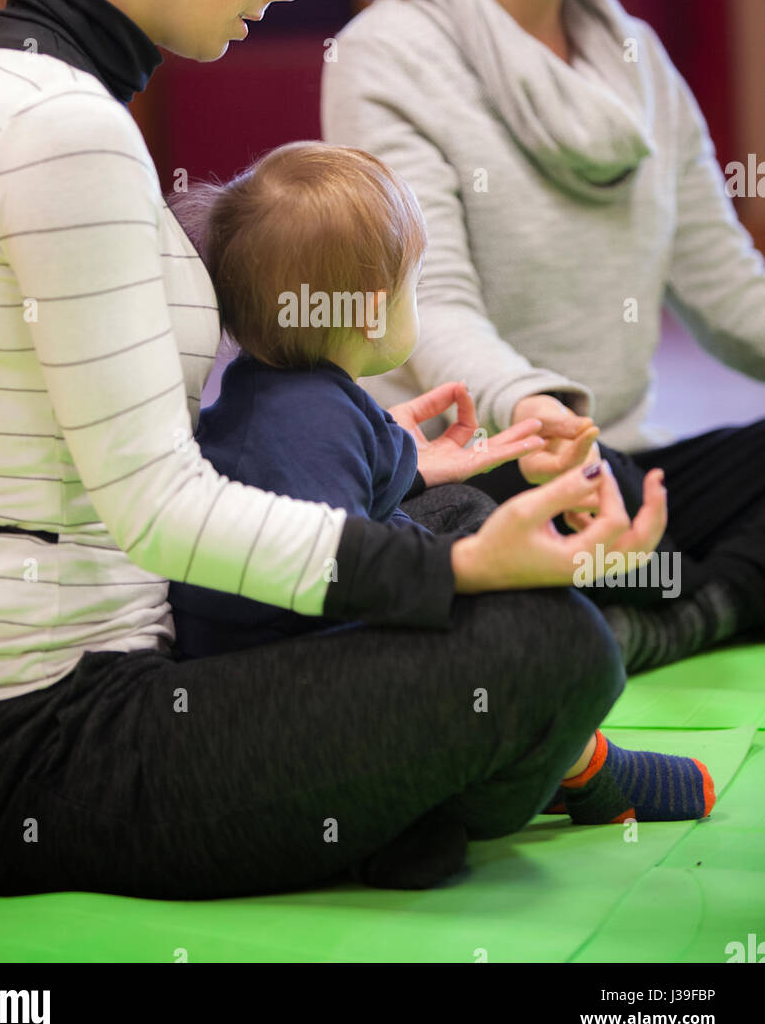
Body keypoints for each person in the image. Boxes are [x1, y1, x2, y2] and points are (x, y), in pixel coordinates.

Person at [0, 0, 670, 901]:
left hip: (88, 681)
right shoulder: (60, 125)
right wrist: (449, 574)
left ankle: (401, 804)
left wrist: (401, 474)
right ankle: (431, 795)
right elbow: (158, 510)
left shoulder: (51, 90)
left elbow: (128, 455)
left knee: (450, 523)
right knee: (538, 640)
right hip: (34, 747)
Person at [321, 0, 765, 678]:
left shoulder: (635, 60)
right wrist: (539, 414)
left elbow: (729, 293)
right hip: (481, 474)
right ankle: (646, 607)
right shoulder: (382, 56)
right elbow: (428, 307)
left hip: (614, 471)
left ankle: (670, 617)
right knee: (474, 559)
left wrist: (591, 457)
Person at [165, 139, 714, 826]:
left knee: (458, 503)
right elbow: (329, 572)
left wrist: (425, 461)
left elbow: (355, 481)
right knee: (535, 627)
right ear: (369, 313)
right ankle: (555, 768)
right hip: (286, 674)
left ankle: (530, 756)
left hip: (275, 641)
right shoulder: (309, 420)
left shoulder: (279, 390)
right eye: (413, 286)